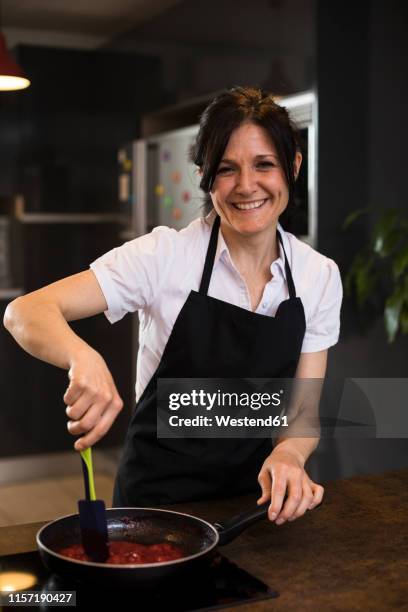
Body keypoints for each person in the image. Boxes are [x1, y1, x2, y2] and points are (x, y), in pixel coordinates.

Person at [4, 86, 342, 526]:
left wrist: (290, 454)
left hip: (255, 509)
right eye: (226, 169)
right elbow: (26, 311)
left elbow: (303, 411)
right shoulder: (163, 256)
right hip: (155, 505)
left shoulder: (318, 276)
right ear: (204, 174)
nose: (246, 186)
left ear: (292, 167)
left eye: (264, 165)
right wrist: (82, 357)